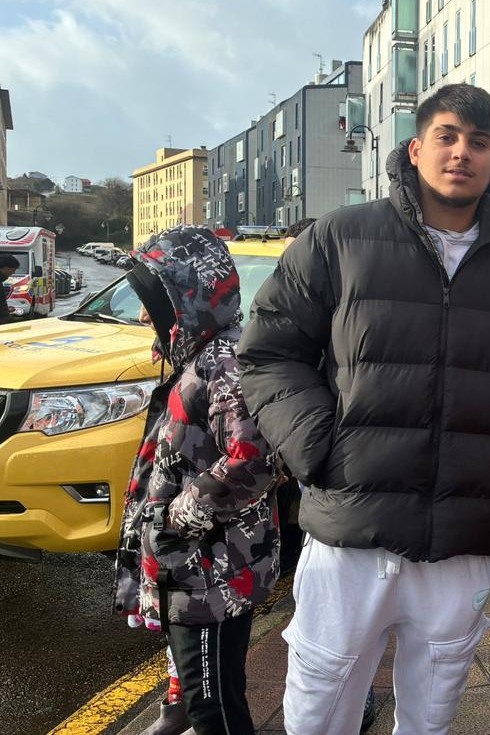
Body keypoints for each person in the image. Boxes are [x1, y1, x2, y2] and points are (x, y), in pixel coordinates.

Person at [237, 83, 490, 734]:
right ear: (415, 150)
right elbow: (268, 351)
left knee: (432, 715)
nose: (461, 152)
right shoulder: (341, 238)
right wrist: (319, 449)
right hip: (350, 528)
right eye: (446, 136)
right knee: (318, 710)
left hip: (461, 538)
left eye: (478, 141)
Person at [114, 226, 280, 735]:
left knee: (216, 710)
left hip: (207, 570)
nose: (144, 315)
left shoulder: (222, 362)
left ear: (186, 299)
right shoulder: (200, 354)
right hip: (199, 568)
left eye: (153, 302)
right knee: (210, 695)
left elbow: (255, 459)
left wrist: (173, 518)